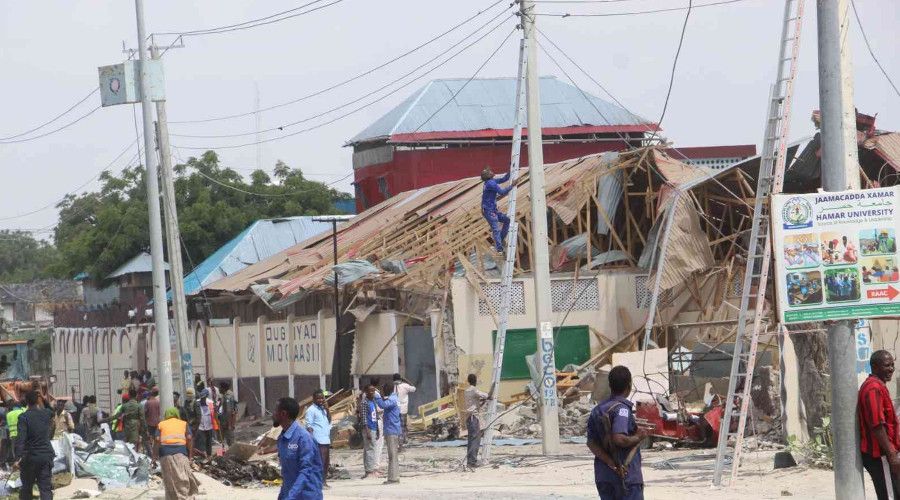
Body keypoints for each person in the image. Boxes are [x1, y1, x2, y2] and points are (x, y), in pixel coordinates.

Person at [587, 365, 648, 500]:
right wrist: (639, 436)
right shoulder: (622, 409)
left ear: (610, 385)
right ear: (629, 385)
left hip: (604, 477)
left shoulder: (598, 409)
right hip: (626, 478)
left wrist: (610, 462)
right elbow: (619, 438)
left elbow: (591, 443)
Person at [858, 350, 900, 499]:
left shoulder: (878, 386)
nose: (891, 369)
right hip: (880, 455)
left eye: (892, 365)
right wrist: (892, 455)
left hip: (885, 454)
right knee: (889, 496)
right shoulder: (873, 388)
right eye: (887, 365)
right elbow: (876, 425)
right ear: (875, 367)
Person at [273, 397, 323, 500]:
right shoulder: (282, 439)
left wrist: (291, 496)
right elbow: (287, 473)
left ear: (283, 413)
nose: (273, 414)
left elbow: (306, 471)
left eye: (275, 410)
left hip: (307, 495)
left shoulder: (304, 438)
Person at [15, 391, 54, 500]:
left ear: (26, 401)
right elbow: (52, 410)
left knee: (27, 488)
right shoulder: (46, 413)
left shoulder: (23, 417)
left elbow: (21, 439)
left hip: (30, 458)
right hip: (46, 456)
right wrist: (44, 398)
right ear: (38, 400)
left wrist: (18, 458)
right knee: (45, 489)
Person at [155, 407, 200, 500]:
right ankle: (184, 497)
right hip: (181, 453)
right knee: (182, 477)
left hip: (165, 455)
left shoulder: (161, 424)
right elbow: (189, 438)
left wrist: (154, 456)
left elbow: (157, 441)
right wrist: (190, 456)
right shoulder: (183, 423)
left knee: (169, 480)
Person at [374, 383, 401, 484]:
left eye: (383, 390)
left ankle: (393, 478)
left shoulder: (392, 400)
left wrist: (377, 396)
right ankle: (394, 476)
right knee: (393, 455)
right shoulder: (394, 398)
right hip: (392, 429)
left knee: (392, 455)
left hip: (391, 429)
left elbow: (383, 405)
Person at [480, 166, 512, 252]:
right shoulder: (491, 183)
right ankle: (499, 249)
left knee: (507, 220)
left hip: (492, 210)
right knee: (496, 229)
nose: (491, 171)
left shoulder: (490, 182)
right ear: (488, 175)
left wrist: (510, 170)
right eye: (489, 171)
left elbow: (503, 179)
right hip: (489, 211)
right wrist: (512, 186)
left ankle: (500, 241)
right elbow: (502, 192)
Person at [304, 390, 332, 488]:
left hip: (326, 439)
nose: (320, 400)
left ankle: (323, 482)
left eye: (322, 398)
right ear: (314, 399)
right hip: (318, 440)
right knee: (320, 462)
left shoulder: (323, 409)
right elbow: (308, 425)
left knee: (326, 462)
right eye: (318, 398)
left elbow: (329, 420)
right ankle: (318, 483)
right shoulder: (311, 410)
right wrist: (311, 439)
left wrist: (327, 409)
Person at [463, 374, 489, 470]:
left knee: (471, 439)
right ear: (475, 381)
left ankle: (470, 460)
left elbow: (475, 402)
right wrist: (489, 395)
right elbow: (485, 395)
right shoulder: (474, 390)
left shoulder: (466, 391)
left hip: (469, 418)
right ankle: (472, 461)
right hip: (474, 418)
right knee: (475, 439)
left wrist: (481, 402)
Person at [360, 384, 380, 479]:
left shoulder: (373, 401)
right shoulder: (364, 403)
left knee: (371, 449)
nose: (372, 393)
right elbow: (364, 418)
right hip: (368, 429)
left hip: (374, 428)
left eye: (373, 391)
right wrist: (367, 431)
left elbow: (375, 416)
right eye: (370, 391)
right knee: (369, 450)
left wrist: (378, 430)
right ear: (366, 392)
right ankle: (369, 471)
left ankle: (370, 469)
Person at [392, 374, 416, 447]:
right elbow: (414, 388)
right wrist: (405, 379)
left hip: (394, 410)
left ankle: (399, 440)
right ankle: (402, 441)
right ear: (400, 379)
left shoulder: (392, 386)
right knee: (403, 426)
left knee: (396, 426)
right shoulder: (405, 385)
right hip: (403, 409)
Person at [195, 389, 218, 458]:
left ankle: (209, 455)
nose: (202, 399)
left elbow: (214, 413)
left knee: (209, 441)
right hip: (200, 425)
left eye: (204, 397)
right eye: (201, 397)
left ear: (206, 396)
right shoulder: (197, 403)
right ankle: (202, 455)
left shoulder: (210, 403)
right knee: (201, 441)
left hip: (209, 425)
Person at [218, 382, 237, 448]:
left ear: (223, 388)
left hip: (227, 422)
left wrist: (229, 424)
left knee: (230, 441)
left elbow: (229, 411)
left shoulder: (228, 397)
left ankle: (233, 455)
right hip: (223, 421)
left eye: (220, 387)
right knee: (221, 441)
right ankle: (221, 455)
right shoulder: (224, 395)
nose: (219, 389)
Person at [7, 400, 25, 464]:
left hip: (12, 434)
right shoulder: (22, 411)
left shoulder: (8, 414)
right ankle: (22, 462)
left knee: (14, 449)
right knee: (22, 447)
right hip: (22, 433)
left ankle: (16, 462)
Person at [144, 388, 161, 453]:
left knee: (150, 438)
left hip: (149, 423)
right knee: (156, 438)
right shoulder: (158, 402)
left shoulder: (148, 403)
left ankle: (152, 452)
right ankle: (157, 452)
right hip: (157, 423)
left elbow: (145, 413)